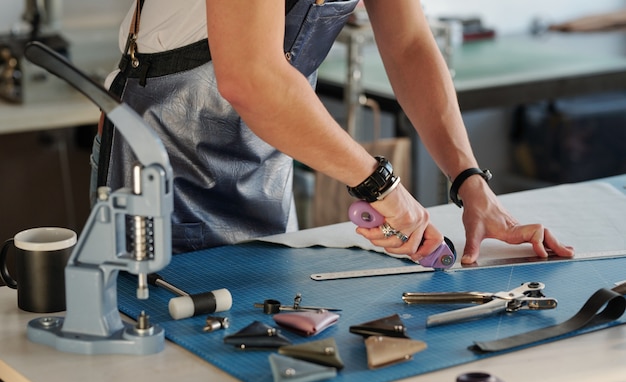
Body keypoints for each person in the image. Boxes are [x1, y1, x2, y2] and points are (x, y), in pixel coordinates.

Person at [93, 0, 575, 263]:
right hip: (162, 164)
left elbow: (407, 44)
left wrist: (470, 180)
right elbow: (250, 77)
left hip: (262, 167)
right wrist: (381, 186)